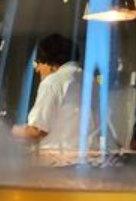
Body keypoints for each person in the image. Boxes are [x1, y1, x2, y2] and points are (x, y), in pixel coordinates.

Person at [13, 33, 114, 161]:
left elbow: (37, 130)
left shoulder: (53, 82)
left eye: (37, 63)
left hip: (59, 162)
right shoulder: (92, 82)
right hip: (90, 161)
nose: (38, 70)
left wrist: (8, 130)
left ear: (50, 61)